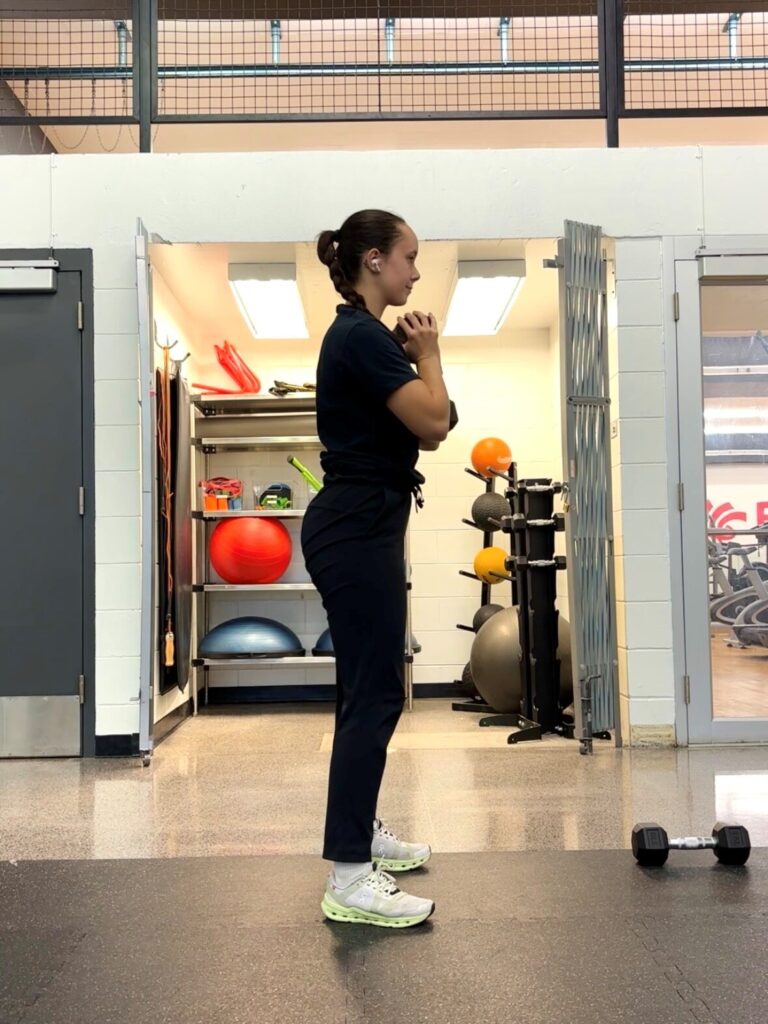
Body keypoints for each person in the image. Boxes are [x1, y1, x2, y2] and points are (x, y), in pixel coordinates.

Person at [301, 209, 451, 929]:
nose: (415, 273)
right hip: (355, 528)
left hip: (363, 525)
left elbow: (438, 423)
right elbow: (430, 419)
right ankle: (349, 876)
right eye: (409, 257)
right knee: (377, 695)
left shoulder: (362, 336)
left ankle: (359, 839)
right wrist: (429, 351)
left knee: (367, 691)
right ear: (373, 262)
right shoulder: (359, 334)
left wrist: (422, 373)